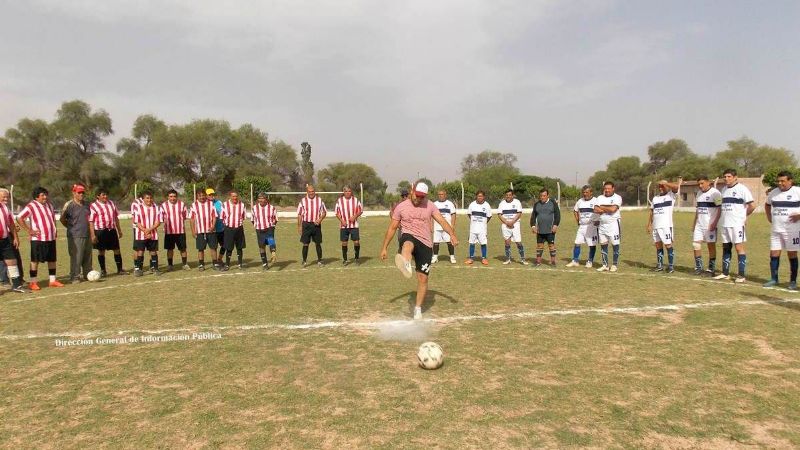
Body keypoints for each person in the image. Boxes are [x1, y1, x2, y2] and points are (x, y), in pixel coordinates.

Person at [380, 181, 459, 320]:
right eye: (417, 195)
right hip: (409, 235)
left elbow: (441, 220)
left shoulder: (430, 205)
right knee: (407, 244)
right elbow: (392, 228)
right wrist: (384, 247)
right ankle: (405, 263)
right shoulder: (401, 207)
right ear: (412, 191)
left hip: (426, 243)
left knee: (423, 278)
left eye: (422, 197)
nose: (419, 199)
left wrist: (452, 234)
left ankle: (417, 309)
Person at [17, 186, 64, 290]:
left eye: (45, 194)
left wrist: (55, 230)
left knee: (52, 259)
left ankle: (52, 280)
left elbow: (52, 220)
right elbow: (19, 217)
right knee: (35, 260)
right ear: (36, 197)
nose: (45, 197)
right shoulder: (31, 206)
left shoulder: (50, 205)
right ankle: (33, 282)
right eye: (42, 195)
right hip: (38, 238)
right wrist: (29, 230)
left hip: (50, 237)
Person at [713, 169, 755, 283]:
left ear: (735, 177)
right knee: (726, 247)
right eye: (725, 176)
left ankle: (741, 275)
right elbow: (720, 205)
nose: (726, 178)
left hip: (736, 224)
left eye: (729, 176)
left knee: (738, 248)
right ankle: (725, 273)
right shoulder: (724, 189)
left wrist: (743, 216)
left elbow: (752, 205)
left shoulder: (742, 189)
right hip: (725, 223)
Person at [764, 170, 800, 289]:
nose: (780, 183)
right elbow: (767, 204)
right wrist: (769, 217)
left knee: (792, 254)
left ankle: (793, 281)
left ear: (790, 181)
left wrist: (799, 216)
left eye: (783, 181)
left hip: (792, 230)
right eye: (778, 181)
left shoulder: (797, 191)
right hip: (776, 229)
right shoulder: (774, 192)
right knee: (774, 253)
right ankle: (774, 279)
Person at [60, 183, 93, 283]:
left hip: (87, 234)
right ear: (74, 193)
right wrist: (71, 228)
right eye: (79, 192)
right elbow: (62, 219)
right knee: (76, 257)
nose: (81, 194)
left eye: (83, 192)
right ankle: (75, 276)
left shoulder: (88, 204)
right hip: (75, 236)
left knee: (88, 256)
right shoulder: (69, 205)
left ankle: (88, 274)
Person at [646, 179, 681, 273]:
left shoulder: (671, 195)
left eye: (662, 186)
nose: (660, 188)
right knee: (658, 245)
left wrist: (665, 183)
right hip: (656, 226)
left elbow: (676, 187)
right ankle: (660, 265)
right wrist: (649, 224)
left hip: (666, 226)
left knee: (668, 245)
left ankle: (671, 267)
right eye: (659, 186)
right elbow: (652, 211)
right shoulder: (655, 198)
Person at [89, 188, 125, 277]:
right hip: (100, 231)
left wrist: (119, 230)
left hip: (111, 230)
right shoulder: (93, 206)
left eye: (106, 195)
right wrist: (93, 235)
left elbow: (116, 217)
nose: (105, 196)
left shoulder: (111, 203)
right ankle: (103, 270)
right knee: (101, 251)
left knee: (116, 250)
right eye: (103, 195)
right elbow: (91, 221)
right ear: (98, 196)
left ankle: (120, 269)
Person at [692, 176, 722, 276]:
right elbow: (698, 210)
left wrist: (714, 223)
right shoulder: (699, 194)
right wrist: (694, 223)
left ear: (708, 183)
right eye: (699, 184)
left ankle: (711, 269)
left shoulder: (716, 193)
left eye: (702, 183)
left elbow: (719, 209)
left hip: (710, 225)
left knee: (710, 246)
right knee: (696, 244)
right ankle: (699, 268)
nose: (700, 186)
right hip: (699, 225)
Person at [567, 185, 599, 268]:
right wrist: (578, 221)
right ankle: (575, 261)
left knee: (591, 244)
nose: (585, 194)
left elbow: (600, 211)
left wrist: (597, 221)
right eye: (583, 192)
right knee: (577, 243)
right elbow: (575, 211)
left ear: (591, 192)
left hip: (592, 226)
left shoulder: (596, 201)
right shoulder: (580, 201)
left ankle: (590, 261)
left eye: (587, 192)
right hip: (582, 226)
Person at [132, 191, 162, 277]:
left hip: (152, 234)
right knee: (140, 252)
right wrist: (145, 230)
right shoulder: (138, 208)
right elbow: (136, 222)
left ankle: (155, 269)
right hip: (140, 234)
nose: (149, 200)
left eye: (150, 198)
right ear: (143, 199)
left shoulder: (156, 208)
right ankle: (139, 269)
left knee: (153, 251)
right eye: (147, 198)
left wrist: (149, 230)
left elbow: (158, 222)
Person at [594, 181, 622, 272]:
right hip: (602, 224)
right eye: (605, 188)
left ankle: (614, 265)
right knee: (603, 244)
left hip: (613, 224)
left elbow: (613, 209)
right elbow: (595, 209)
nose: (607, 190)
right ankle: (605, 265)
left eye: (609, 188)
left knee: (615, 244)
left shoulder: (618, 197)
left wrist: (601, 207)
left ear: (613, 188)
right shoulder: (599, 197)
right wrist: (606, 208)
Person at [0, 194, 26, 292]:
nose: (6, 199)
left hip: (5, 240)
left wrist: (15, 237)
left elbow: (10, 223)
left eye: (7, 197)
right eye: (3, 197)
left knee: (12, 261)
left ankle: (16, 286)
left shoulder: (5, 208)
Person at [297, 185, 327, 267]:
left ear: (315, 191)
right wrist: (299, 226)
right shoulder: (303, 201)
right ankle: (304, 261)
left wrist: (320, 219)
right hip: (306, 224)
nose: (311, 193)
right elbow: (299, 214)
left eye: (313, 191)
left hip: (316, 225)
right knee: (305, 243)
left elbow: (324, 212)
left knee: (318, 243)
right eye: (309, 191)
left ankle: (320, 261)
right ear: (307, 192)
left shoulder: (319, 200)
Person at [189, 189, 218, 271]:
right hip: (200, 231)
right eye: (200, 196)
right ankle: (201, 264)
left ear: (205, 195)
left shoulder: (211, 204)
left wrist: (213, 226)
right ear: (197, 196)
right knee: (200, 249)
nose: (202, 197)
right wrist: (193, 231)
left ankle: (215, 263)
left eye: (203, 195)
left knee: (213, 247)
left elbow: (214, 216)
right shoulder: (193, 205)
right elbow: (192, 219)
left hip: (210, 230)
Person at [160, 189, 190, 271]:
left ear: (176, 197)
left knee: (183, 249)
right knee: (170, 249)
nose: (172, 198)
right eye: (171, 196)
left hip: (180, 231)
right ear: (168, 197)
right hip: (169, 231)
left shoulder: (182, 204)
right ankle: (170, 265)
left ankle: (185, 264)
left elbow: (184, 216)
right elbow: (161, 218)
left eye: (174, 196)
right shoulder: (163, 205)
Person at [531, 189, 561, 266]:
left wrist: (555, 225)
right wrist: (533, 226)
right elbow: (533, 216)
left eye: (544, 196)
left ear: (548, 196)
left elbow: (558, 215)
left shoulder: (553, 203)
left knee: (551, 245)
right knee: (539, 245)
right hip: (540, 230)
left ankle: (553, 262)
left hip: (550, 229)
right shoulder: (536, 204)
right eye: (541, 196)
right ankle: (538, 262)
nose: (542, 197)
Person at [497, 189, 527, 265]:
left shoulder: (517, 202)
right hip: (505, 224)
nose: (508, 196)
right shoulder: (502, 203)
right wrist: (506, 222)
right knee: (507, 242)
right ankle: (508, 259)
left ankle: (523, 259)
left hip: (515, 224)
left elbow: (519, 213)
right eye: (507, 195)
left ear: (512, 195)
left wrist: (512, 221)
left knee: (518, 242)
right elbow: (499, 214)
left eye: (510, 195)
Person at [335, 186, 363, 265]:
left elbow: (361, 210)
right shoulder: (339, 201)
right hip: (344, 226)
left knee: (356, 242)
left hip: (354, 226)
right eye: (346, 191)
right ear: (343, 192)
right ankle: (345, 259)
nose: (348, 193)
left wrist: (355, 216)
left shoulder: (355, 200)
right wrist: (342, 221)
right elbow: (337, 213)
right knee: (344, 243)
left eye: (349, 191)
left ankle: (357, 258)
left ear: (351, 192)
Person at [220, 190, 247, 270]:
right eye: (233, 196)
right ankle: (227, 265)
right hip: (229, 229)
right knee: (229, 247)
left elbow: (243, 217)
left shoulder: (242, 205)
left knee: (239, 247)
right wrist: (228, 226)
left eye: (236, 196)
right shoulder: (225, 205)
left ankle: (240, 265)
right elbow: (222, 217)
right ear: (230, 196)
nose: (235, 198)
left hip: (239, 228)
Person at [251, 192, 278, 270]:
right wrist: (257, 226)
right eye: (260, 198)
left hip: (269, 228)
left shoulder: (272, 208)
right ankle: (265, 263)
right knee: (261, 246)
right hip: (259, 229)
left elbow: (275, 219)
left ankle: (273, 253)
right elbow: (252, 220)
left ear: (266, 199)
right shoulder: (254, 208)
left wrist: (272, 227)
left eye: (263, 198)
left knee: (271, 241)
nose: (261, 200)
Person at [465, 191, 492, 265]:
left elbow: (489, 216)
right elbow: (469, 214)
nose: (480, 197)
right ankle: (471, 258)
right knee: (472, 243)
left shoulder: (487, 205)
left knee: (483, 243)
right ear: (476, 196)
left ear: (484, 197)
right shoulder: (472, 204)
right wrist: (474, 221)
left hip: (482, 229)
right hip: (473, 228)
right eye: (478, 196)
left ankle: (484, 258)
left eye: (481, 196)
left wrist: (483, 223)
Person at [432, 189, 457, 264]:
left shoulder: (450, 204)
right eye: (439, 194)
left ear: (445, 195)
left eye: (442, 194)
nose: (440, 196)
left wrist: (452, 225)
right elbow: (431, 215)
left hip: (447, 227)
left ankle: (452, 257)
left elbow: (453, 214)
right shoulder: (434, 204)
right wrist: (431, 225)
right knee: (436, 242)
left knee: (449, 242)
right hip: (437, 227)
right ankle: (435, 257)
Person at [206, 188, 225, 269]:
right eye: (209, 194)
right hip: (211, 230)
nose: (211, 196)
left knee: (225, 245)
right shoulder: (205, 204)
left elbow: (224, 213)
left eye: (212, 194)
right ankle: (215, 262)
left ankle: (219, 259)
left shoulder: (219, 202)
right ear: (206, 195)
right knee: (214, 247)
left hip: (221, 228)